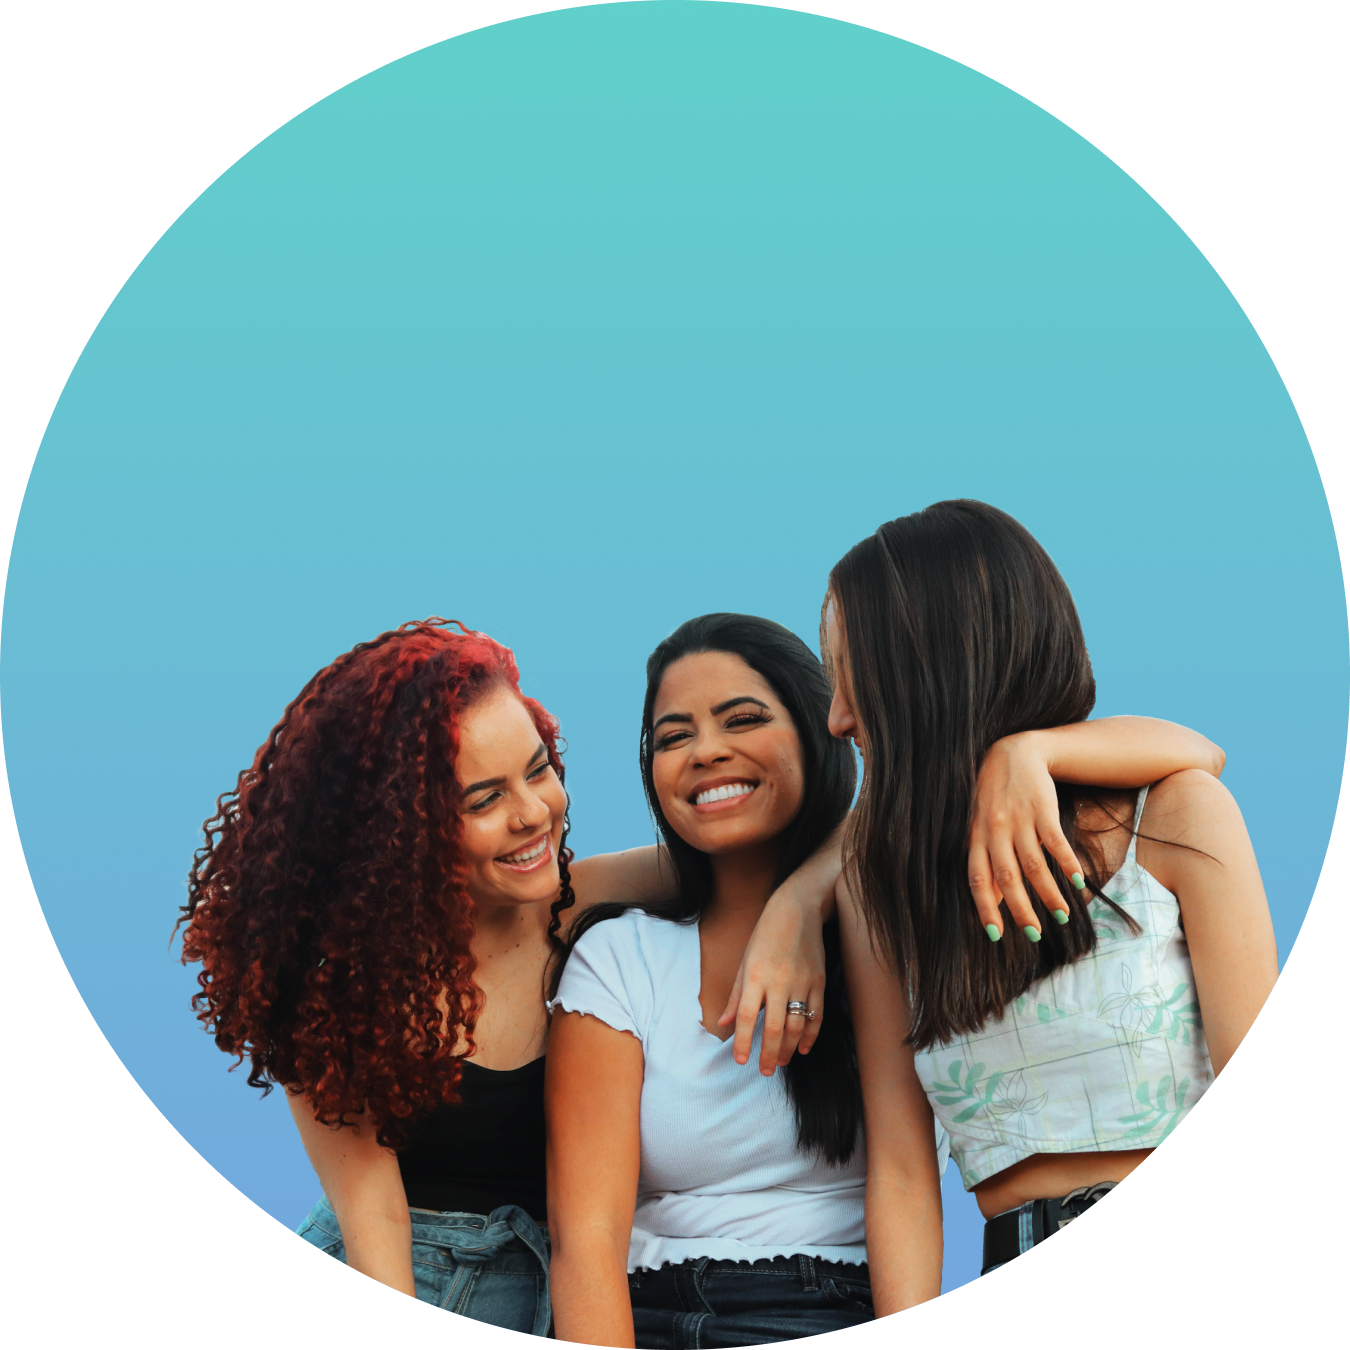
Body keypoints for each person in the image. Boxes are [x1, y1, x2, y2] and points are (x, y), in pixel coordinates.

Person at [544, 612, 1226, 1349]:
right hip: (647, 1308)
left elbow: (1198, 753)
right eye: (673, 737)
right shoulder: (621, 953)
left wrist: (1024, 753)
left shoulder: (896, 910)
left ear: (821, 733)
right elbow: (585, 1242)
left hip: (823, 1302)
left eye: (743, 718)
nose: (706, 751)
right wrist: (795, 899)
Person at [175, 618, 835, 1335]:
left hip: (565, 1291)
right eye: (483, 800)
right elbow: (375, 1227)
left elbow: (823, 829)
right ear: (402, 833)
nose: (533, 814)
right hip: (399, 1291)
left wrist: (796, 906)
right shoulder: (334, 988)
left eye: (539, 769)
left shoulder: (589, 901)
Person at [823, 500, 1278, 1314]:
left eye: (853, 674)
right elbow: (899, 1172)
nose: (838, 717)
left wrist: (1030, 749)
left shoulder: (1176, 816)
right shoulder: (878, 883)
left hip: (1189, 1274)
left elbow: (1265, 1108)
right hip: (1017, 1299)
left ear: (929, 671)